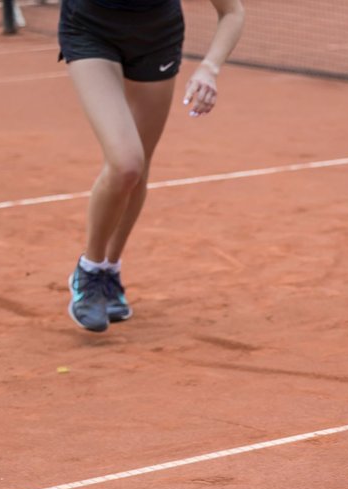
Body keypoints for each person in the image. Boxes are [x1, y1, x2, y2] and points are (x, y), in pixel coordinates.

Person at [59, 0, 245, 332]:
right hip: (90, 30)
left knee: (140, 167)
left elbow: (232, 12)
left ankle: (110, 273)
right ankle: (89, 268)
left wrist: (210, 68)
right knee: (126, 163)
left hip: (157, 37)